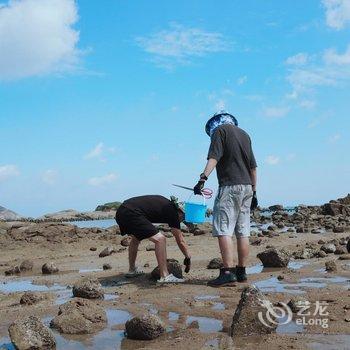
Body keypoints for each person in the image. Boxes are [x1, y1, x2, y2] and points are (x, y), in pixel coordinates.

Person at [194, 112, 258, 287]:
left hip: (229, 186)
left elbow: (213, 157)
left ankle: (228, 272)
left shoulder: (219, 132)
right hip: (247, 187)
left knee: (224, 229)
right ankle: (242, 271)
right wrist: (254, 191)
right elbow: (253, 166)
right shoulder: (245, 134)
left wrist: (202, 179)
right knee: (243, 231)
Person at [115, 195, 191, 283]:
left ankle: (132, 270)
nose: (182, 220)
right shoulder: (173, 212)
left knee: (136, 238)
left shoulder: (166, 205)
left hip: (121, 211)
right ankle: (165, 276)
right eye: (183, 217)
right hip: (132, 212)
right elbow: (180, 239)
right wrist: (188, 256)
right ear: (181, 212)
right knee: (160, 239)